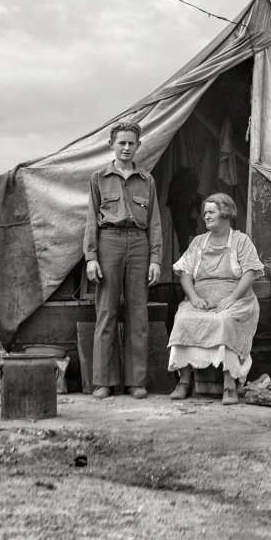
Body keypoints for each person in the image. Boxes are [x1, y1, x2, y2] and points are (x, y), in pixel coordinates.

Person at [84, 121, 162, 399]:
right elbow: (91, 220)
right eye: (122, 143)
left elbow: (154, 222)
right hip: (109, 243)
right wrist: (91, 257)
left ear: (138, 146)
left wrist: (155, 259)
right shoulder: (99, 178)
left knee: (138, 314)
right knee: (106, 312)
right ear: (111, 146)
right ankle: (104, 381)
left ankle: (135, 382)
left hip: (139, 245)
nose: (127, 148)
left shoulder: (147, 180)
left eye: (132, 143)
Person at [167, 193, 264, 405]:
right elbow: (184, 272)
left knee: (223, 321)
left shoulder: (241, 241)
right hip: (201, 299)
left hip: (237, 300)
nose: (206, 217)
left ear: (226, 214)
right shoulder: (199, 242)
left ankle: (230, 385)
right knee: (183, 319)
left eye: (211, 212)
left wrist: (231, 298)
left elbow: (250, 272)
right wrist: (193, 297)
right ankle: (184, 381)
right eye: (205, 213)